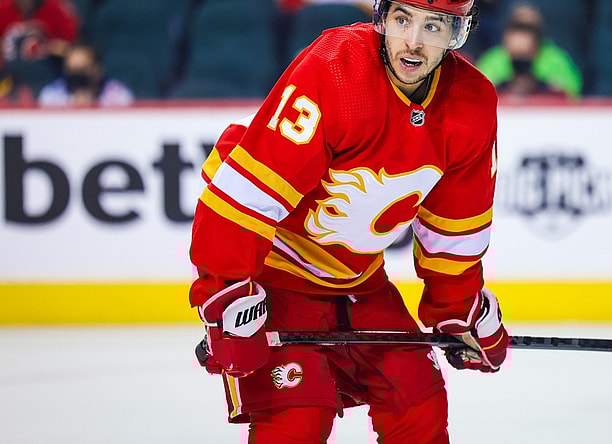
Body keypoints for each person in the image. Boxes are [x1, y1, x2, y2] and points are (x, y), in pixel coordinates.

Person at [188, 0, 510, 442]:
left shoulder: (470, 104)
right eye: (403, 19)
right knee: (296, 421)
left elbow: (454, 226)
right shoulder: (335, 69)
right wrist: (226, 298)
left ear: (459, 32)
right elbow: (245, 198)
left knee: (418, 404)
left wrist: (459, 312)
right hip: (276, 278)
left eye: (434, 26)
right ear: (382, 16)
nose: (414, 41)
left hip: (359, 283)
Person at [475, 2, 582, 97]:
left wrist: (542, 86)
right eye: (517, 28)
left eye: (528, 30)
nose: (522, 38)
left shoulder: (555, 60)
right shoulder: (493, 60)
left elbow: (571, 94)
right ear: (506, 34)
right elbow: (479, 93)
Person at [0, 0, 80, 102]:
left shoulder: (57, 9)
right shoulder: (2, 8)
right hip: (6, 74)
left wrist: (50, 47)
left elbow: (70, 48)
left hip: (47, 75)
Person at [38, 42, 134, 107]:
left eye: (82, 69)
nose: (77, 76)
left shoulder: (118, 96)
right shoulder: (51, 96)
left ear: (98, 70)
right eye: (71, 70)